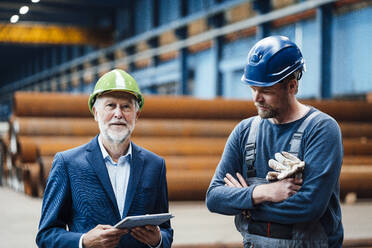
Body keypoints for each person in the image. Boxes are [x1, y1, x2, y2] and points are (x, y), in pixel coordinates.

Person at [206, 36, 343, 247]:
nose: (256, 99)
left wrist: (244, 203)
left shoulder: (321, 129)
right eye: (253, 89)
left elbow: (309, 206)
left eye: (266, 91)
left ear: (292, 86)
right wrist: (263, 192)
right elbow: (214, 198)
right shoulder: (244, 132)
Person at [36, 69, 173, 248]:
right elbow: (46, 235)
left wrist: (157, 240)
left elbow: (166, 231)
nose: (118, 114)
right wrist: (83, 241)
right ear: (95, 113)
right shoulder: (68, 164)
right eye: (110, 105)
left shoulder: (155, 165)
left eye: (126, 107)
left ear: (136, 115)